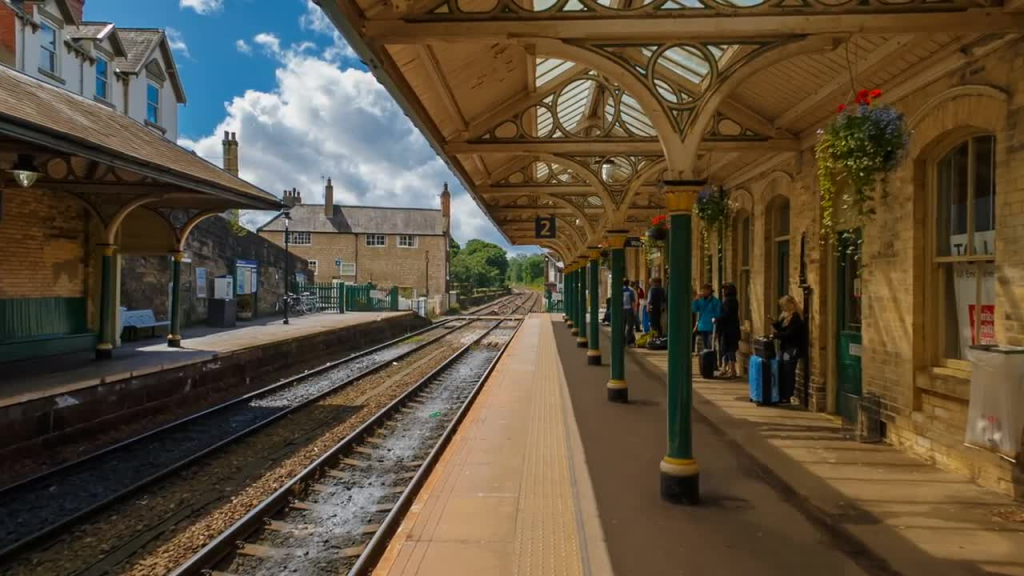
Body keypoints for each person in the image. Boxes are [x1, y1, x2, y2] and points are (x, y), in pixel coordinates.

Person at [771, 295, 805, 404]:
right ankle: (781, 394)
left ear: (790, 305)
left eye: (784, 306)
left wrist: (775, 335)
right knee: (781, 370)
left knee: (788, 372)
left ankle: (787, 395)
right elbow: (782, 330)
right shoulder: (786, 316)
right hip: (784, 348)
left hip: (791, 348)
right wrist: (775, 323)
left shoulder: (795, 317)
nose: (782, 309)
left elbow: (790, 334)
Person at [716, 283, 741, 379]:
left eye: (723, 290)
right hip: (730, 329)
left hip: (728, 330)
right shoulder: (732, 300)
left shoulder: (729, 301)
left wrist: (717, 319)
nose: (722, 292)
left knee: (729, 350)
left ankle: (732, 369)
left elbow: (726, 315)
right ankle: (725, 368)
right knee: (726, 349)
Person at [691, 284, 720, 352]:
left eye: (704, 290)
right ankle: (706, 359)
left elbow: (718, 313)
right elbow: (694, 309)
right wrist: (695, 300)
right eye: (702, 290)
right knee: (705, 346)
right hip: (702, 326)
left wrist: (715, 320)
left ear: (709, 291)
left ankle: (711, 359)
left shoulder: (715, 301)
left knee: (711, 345)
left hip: (711, 326)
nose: (703, 292)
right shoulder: (700, 301)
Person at [622, 278, 637, 346]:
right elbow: (633, 302)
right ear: (628, 283)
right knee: (630, 326)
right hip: (629, 310)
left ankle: (622, 340)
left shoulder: (620, 290)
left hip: (622, 310)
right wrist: (634, 311)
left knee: (622, 325)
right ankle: (628, 341)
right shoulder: (630, 291)